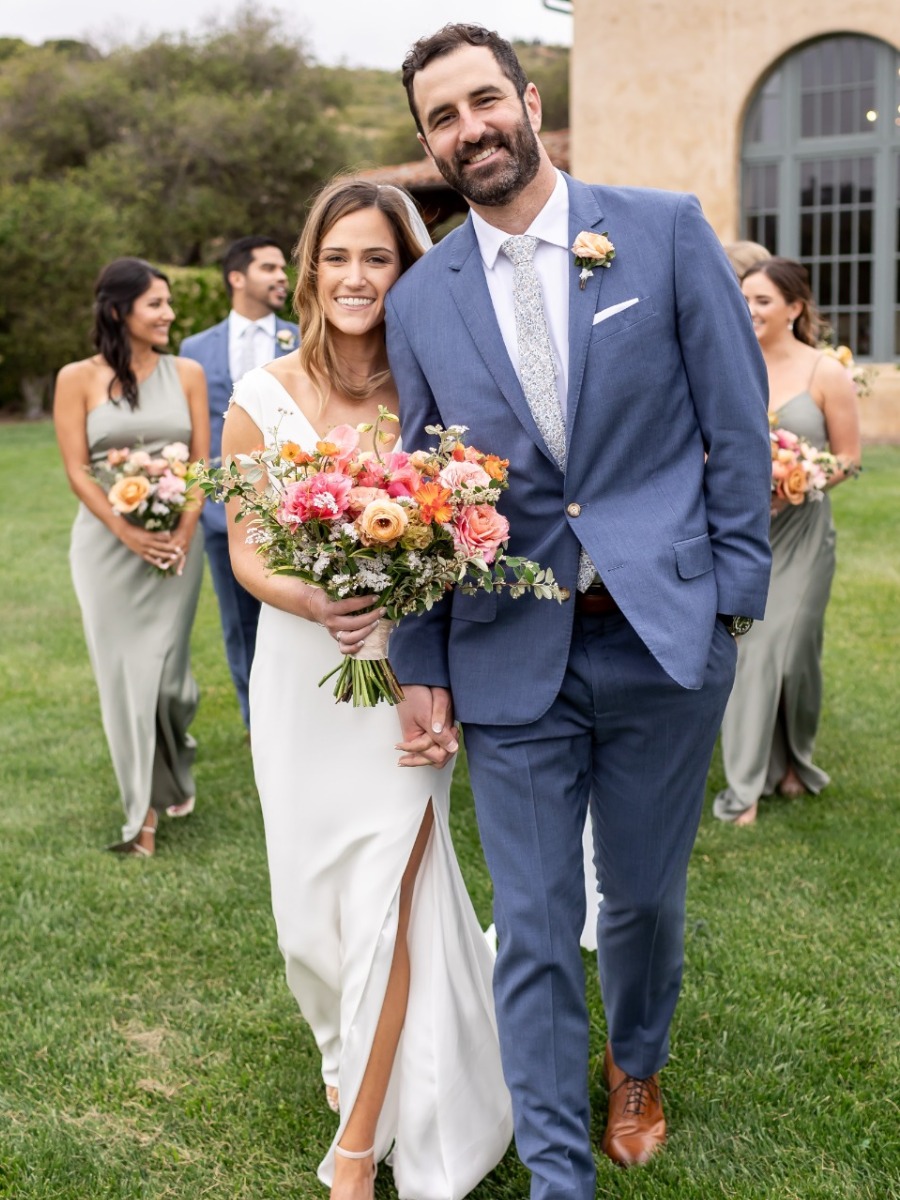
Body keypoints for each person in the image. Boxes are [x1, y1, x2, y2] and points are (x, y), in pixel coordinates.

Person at [384, 24, 773, 1198]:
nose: (471, 129)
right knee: (541, 925)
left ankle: (638, 1063)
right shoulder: (422, 301)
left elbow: (737, 428)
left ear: (531, 98)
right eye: (443, 119)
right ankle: (560, 1169)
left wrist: (732, 607)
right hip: (510, 654)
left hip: (665, 639)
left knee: (644, 899)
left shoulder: (661, 229)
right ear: (429, 145)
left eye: (483, 101)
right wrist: (420, 654)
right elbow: (418, 496)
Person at [221, 179, 512, 1200]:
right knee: (314, 923)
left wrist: (415, 613)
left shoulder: (434, 397)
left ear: (405, 270)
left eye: (377, 259)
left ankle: (357, 1154)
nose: (355, 277)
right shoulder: (259, 399)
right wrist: (313, 600)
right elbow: (251, 551)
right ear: (310, 268)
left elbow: (471, 538)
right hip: (302, 682)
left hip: (408, 677)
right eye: (338, 257)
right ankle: (365, 1071)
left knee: (392, 892)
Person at [54, 257, 209, 856]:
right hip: (105, 547)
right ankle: (139, 815)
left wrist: (183, 531)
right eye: (156, 304)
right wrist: (126, 532)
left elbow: (199, 463)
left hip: (176, 543)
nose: (169, 314)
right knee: (124, 678)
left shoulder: (188, 372)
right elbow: (75, 469)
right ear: (120, 311)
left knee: (168, 680)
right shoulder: (77, 378)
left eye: (169, 303)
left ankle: (175, 763)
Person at [714, 257, 861, 826]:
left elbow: (849, 459)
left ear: (795, 307)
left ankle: (794, 759)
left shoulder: (826, 372)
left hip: (803, 535)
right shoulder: (731, 364)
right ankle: (746, 787)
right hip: (743, 531)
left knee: (793, 652)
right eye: (744, 298)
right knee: (750, 649)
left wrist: (801, 476)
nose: (749, 310)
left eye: (763, 301)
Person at [179, 237, 298, 730]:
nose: (281, 276)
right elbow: (194, 429)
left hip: (297, 507)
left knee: (296, 617)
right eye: (269, 267)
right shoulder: (194, 348)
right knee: (239, 624)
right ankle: (257, 724)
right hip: (219, 511)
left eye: (282, 268)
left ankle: (300, 718)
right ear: (236, 277)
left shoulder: (303, 337)